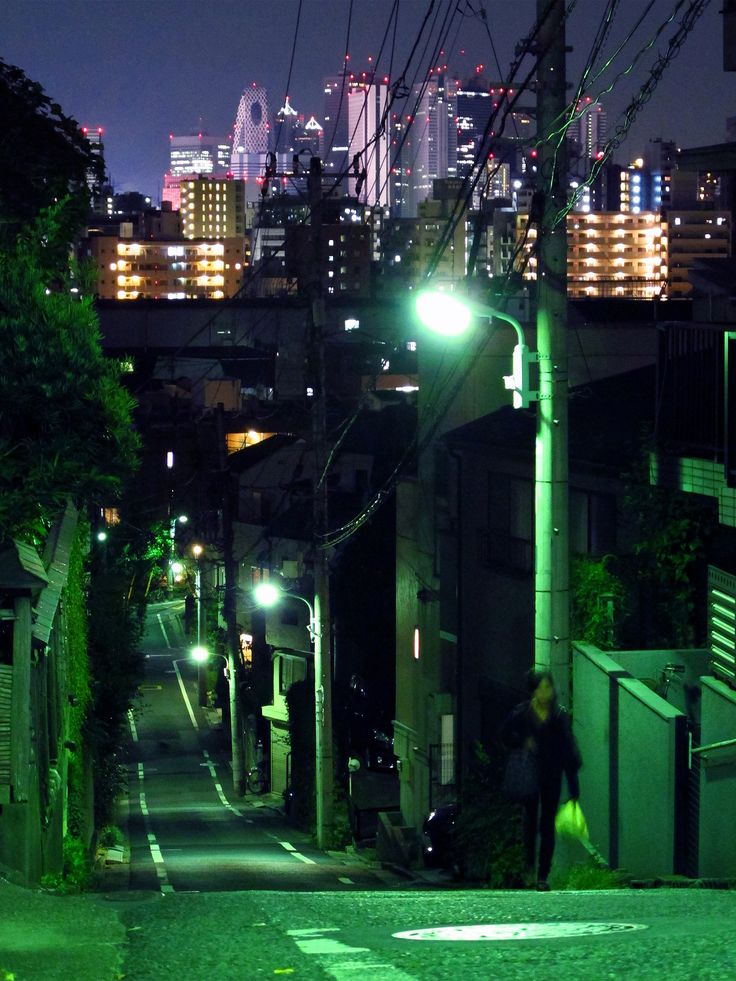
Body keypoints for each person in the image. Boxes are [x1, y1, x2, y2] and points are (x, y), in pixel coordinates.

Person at [500, 668, 582, 891]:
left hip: (551, 775)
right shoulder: (522, 713)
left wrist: (574, 787)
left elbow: (568, 750)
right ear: (533, 690)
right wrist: (522, 742)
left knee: (547, 825)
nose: (545, 692)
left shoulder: (558, 715)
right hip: (529, 774)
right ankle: (528, 865)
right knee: (529, 823)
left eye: (548, 687)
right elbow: (504, 734)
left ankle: (542, 876)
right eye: (541, 688)